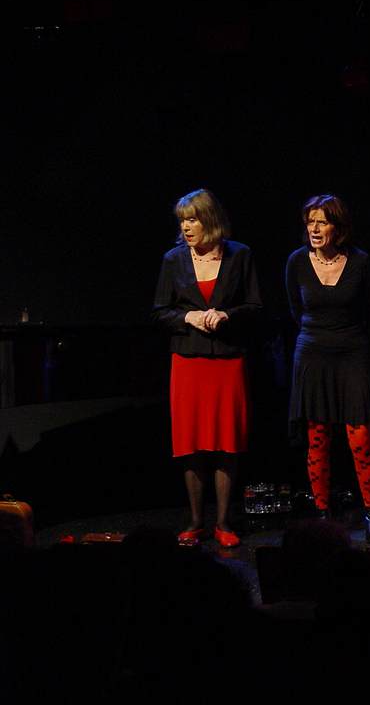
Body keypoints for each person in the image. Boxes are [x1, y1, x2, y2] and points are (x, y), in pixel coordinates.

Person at [152, 189, 262, 547]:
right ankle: (196, 520)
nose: (186, 227)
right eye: (182, 221)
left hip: (227, 362)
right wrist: (189, 316)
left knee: (226, 442)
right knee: (191, 443)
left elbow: (255, 307)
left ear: (209, 220)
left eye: (193, 220)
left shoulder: (239, 255)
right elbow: (160, 312)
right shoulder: (173, 260)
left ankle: (224, 522)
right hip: (188, 361)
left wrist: (227, 314)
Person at [286, 194, 370, 543]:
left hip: (351, 353)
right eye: (310, 221)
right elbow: (295, 310)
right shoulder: (297, 262)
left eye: (323, 222)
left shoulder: (361, 262)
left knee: (360, 437)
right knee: (317, 438)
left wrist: (349, 341)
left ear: (338, 227)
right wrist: (320, 337)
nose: (314, 228)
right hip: (312, 354)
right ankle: (322, 515)